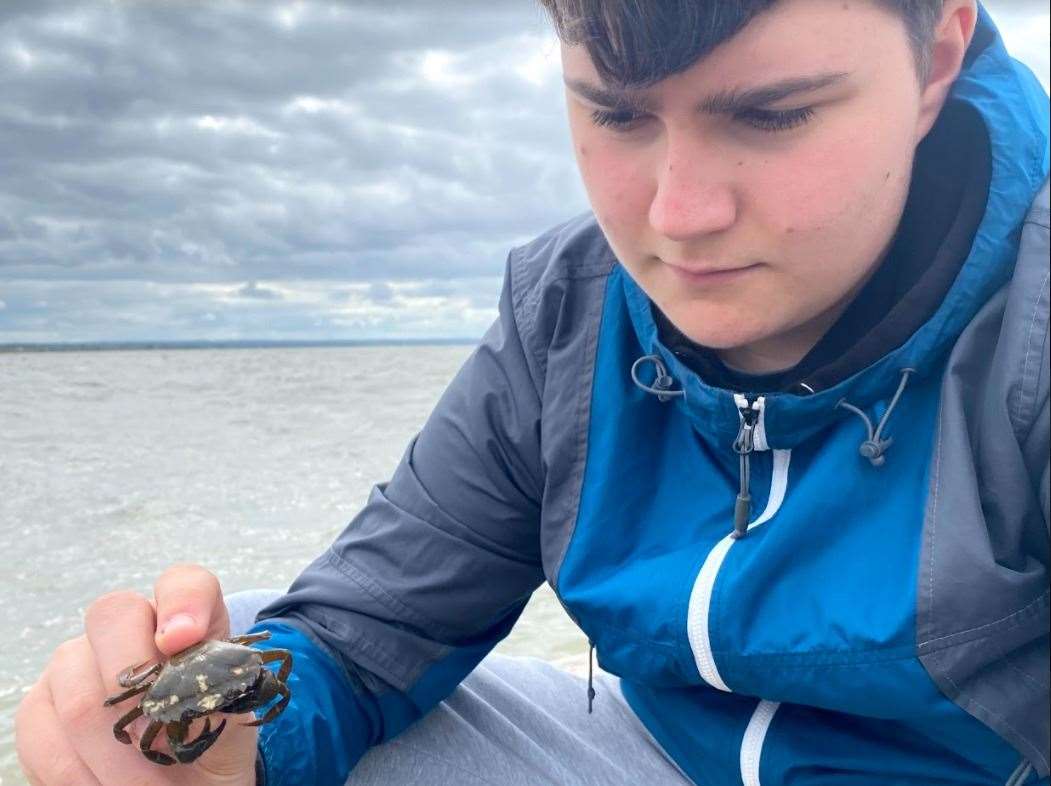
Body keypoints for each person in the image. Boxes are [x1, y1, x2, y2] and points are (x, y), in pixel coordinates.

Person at [15, 0, 1049, 783]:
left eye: (772, 116)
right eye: (616, 113)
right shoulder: (568, 310)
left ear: (936, 58)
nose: (678, 213)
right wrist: (204, 748)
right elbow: (357, 639)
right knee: (234, 646)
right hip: (655, 759)